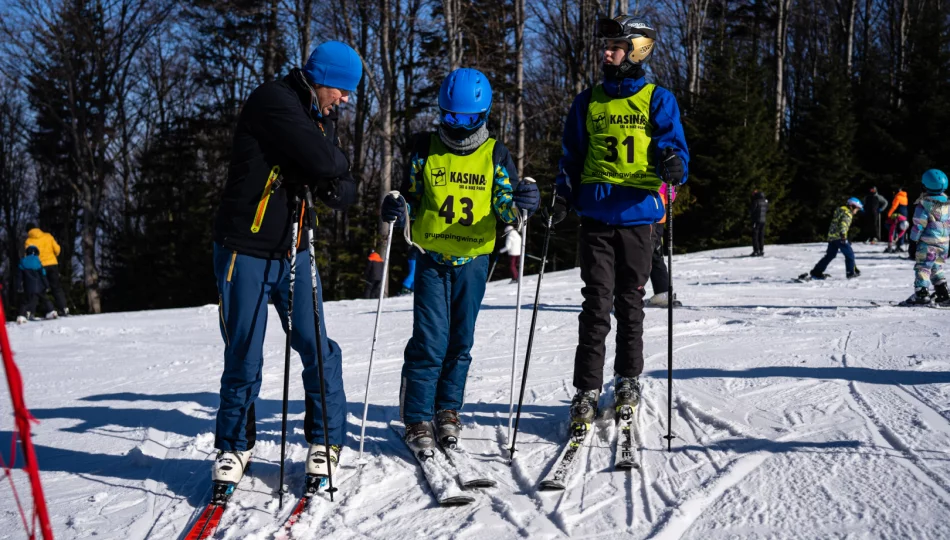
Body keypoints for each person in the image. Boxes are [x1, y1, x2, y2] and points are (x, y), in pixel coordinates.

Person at [209, 40, 361, 488]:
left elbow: (342, 180)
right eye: (342, 90)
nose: (345, 100)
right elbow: (321, 159)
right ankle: (234, 446)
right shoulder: (273, 100)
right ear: (322, 79)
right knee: (244, 354)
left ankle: (326, 437)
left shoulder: (321, 116)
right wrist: (329, 167)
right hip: (245, 249)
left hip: (294, 247)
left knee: (315, 344)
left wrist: (338, 189)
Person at [380, 67, 540, 453]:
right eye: (451, 116)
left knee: (460, 340)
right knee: (430, 341)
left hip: (474, 260)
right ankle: (418, 416)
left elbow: (505, 208)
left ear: (483, 115)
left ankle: (447, 409)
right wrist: (396, 205)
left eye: (467, 118)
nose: (458, 125)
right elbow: (412, 196)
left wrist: (523, 205)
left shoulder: (495, 154)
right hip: (431, 258)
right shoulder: (424, 148)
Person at [553, 15, 689, 434]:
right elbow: (571, 156)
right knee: (595, 305)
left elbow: (676, 151)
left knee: (630, 302)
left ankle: (628, 379)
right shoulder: (587, 101)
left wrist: (673, 164)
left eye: (615, 45)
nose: (606, 52)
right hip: (595, 215)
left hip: (637, 217)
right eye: (606, 46)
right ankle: (587, 389)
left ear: (637, 49)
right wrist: (561, 192)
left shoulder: (657, 98)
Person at [903, 170, 950, 306]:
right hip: (944, 244)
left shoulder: (924, 205)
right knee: (937, 267)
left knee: (923, 267)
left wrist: (912, 241)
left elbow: (919, 225)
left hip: (928, 244)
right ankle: (943, 293)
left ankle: (921, 294)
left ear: (924, 186)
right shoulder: (948, 205)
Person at [799, 197, 864, 281]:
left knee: (830, 255)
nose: (857, 211)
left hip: (832, 237)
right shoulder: (847, 214)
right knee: (850, 255)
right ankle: (850, 273)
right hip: (840, 237)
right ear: (852, 206)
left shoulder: (840, 211)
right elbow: (843, 224)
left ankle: (816, 272)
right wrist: (843, 235)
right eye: (857, 208)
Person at [646, 182, 681, 307]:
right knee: (653, 253)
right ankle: (663, 291)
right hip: (655, 212)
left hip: (648, 212)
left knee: (648, 253)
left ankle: (663, 292)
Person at [24, 224, 67, 316]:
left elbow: (29, 257)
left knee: (38, 289)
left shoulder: (29, 241)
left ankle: (32, 312)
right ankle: (63, 308)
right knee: (56, 288)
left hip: (39, 267)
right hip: (52, 265)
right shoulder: (48, 236)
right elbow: (57, 250)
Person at [15, 246, 56, 323]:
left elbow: (19, 276)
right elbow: (43, 274)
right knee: (45, 299)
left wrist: (19, 286)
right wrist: (47, 285)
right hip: (40, 286)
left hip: (28, 286)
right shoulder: (38, 262)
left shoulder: (22, 262)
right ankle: (51, 312)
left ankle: (21, 316)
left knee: (26, 301)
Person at [885, 187, 909, 253]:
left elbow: (894, 207)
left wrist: (889, 214)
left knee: (893, 229)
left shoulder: (897, 197)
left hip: (898, 216)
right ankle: (899, 246)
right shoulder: (905, 197)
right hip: (905, 216)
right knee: (902, 229)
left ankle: (891, 244)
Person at [749, 190, 769, 256]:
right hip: (763, 220)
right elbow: (766, 209)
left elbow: (752, 210)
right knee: (761, 236)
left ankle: (756, 251)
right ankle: (761, 250)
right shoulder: (765, 202)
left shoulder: (756, 202)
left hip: (756, 221)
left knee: (755, 236)